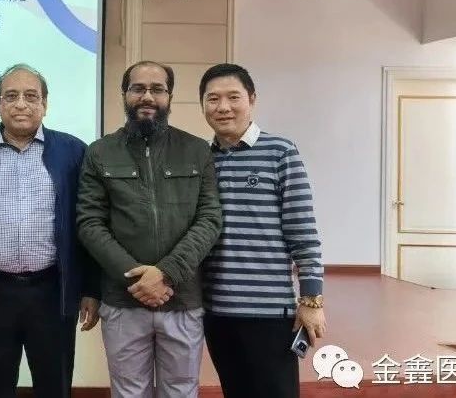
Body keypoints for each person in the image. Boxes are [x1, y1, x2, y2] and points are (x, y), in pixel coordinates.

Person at [0, 63, 100, 398]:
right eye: (11, 96)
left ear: (45, 104)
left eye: (31, 96)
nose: (21, 104)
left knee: (54, 386)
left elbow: (88, 224)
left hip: (52, 290)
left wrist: (91, 288)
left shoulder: (73, 152)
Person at [76, 60, 222, 398]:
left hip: (182, 298)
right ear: (124, 95)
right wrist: (137, 279)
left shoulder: (197, 150)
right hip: (123, 299)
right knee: (128, 392)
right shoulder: (100, 152)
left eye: (157, 89)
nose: (147, 96)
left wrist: (166, 273)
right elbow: (89, 222)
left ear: (170, 96)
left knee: (181, 391)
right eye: (138, 88)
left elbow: (210, 218)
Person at [198, 63, 325, 398]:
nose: (223, 107)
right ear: (203, 105)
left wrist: (311, 300)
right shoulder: (201, 159)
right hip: (216, 311)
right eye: (213, 99)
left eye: (233, 97)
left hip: (269, 313)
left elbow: (303, 231)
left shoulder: (280, 152)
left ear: (251, 99)